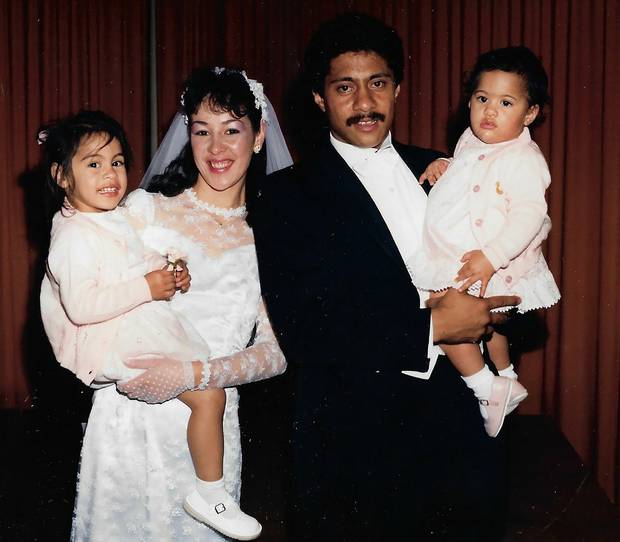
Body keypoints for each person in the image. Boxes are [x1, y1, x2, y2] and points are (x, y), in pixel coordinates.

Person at [246, 13, 521, 541]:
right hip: (356, 448)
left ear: (398, 87)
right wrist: (434, 328)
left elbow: (509, 264)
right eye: (344, 87)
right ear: (320, 98)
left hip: (462, 431)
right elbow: (306, 329)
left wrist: (505, 306)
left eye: (378, 83)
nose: (364, 102)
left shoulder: (450, 169)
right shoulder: (285, 196)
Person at [64, 68, 289, 541]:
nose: (216, 148)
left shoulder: (271, 239)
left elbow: (276, 352)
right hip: (127, 416)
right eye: (202, 131)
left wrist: (197, 376)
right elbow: (77, 284)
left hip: (204, 430)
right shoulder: (145, 210)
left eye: (232, 130)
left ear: (259, 135)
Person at [412, 46, 560, 438]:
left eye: (505, 103)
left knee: (442, 315)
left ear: (530, 114)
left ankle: (486, 386)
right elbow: (465, 172)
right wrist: (445, 164)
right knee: (488, 328)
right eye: (482, 99)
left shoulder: (524, 158)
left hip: (489, 257)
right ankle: (507, 375)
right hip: (464, 250)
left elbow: (529, 214)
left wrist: (492, 257)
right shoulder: (470, 139)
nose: (490, 112)